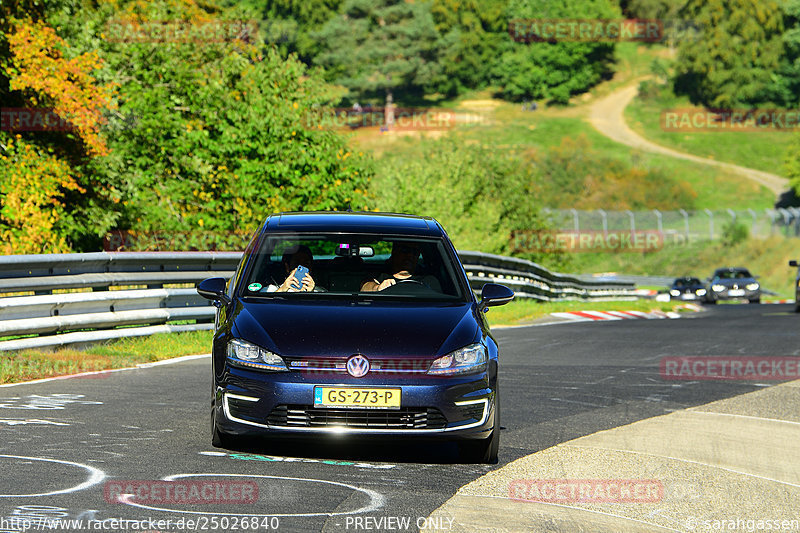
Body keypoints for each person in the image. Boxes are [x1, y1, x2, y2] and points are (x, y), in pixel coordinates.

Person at [360, 242, 441, 292]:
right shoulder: (380, 275)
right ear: (394, 252)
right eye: (405, 250)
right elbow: (365, 287)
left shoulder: (429, 280)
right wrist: (377, 288)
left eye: (414, 252)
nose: (410, 255)